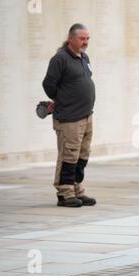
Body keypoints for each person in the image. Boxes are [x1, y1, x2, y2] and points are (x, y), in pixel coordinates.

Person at [42, 23, 97, 207]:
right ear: (71, 39)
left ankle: (76, 189)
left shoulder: (84, 57)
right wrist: (63, 99)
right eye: (82, 38)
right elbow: (48, 85)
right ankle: (65, 193)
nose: (86, 42)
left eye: (88, 38)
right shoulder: (60, 59)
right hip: (69, 118)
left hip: (86, 116)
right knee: (68, 155)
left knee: (82, 155)